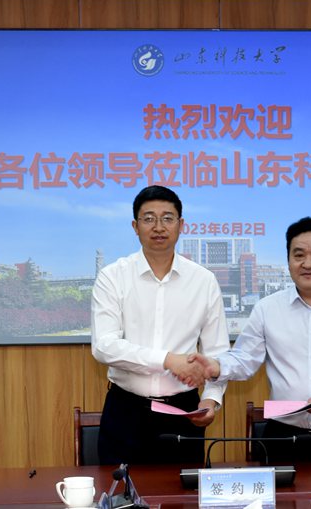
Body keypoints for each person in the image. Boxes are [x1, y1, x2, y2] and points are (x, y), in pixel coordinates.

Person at [189, 216, 311, 464]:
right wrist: (217, 366)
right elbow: (245, 359)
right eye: (299, 255)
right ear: (288, 260)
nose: (308, 263)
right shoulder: (267, 309)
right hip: (283, 439)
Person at [91, 185, 228, 465]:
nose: (158, 227)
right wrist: (168, 360)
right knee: (119, 490)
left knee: (183, 491)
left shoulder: (203, 281)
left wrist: (211, 400)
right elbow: (104, 346)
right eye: (149, 218)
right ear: (135, 226)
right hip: (126, 411)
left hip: (184, 413)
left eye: (167, 218)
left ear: (181, 225)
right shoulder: (113, 276)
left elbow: (218, 352)